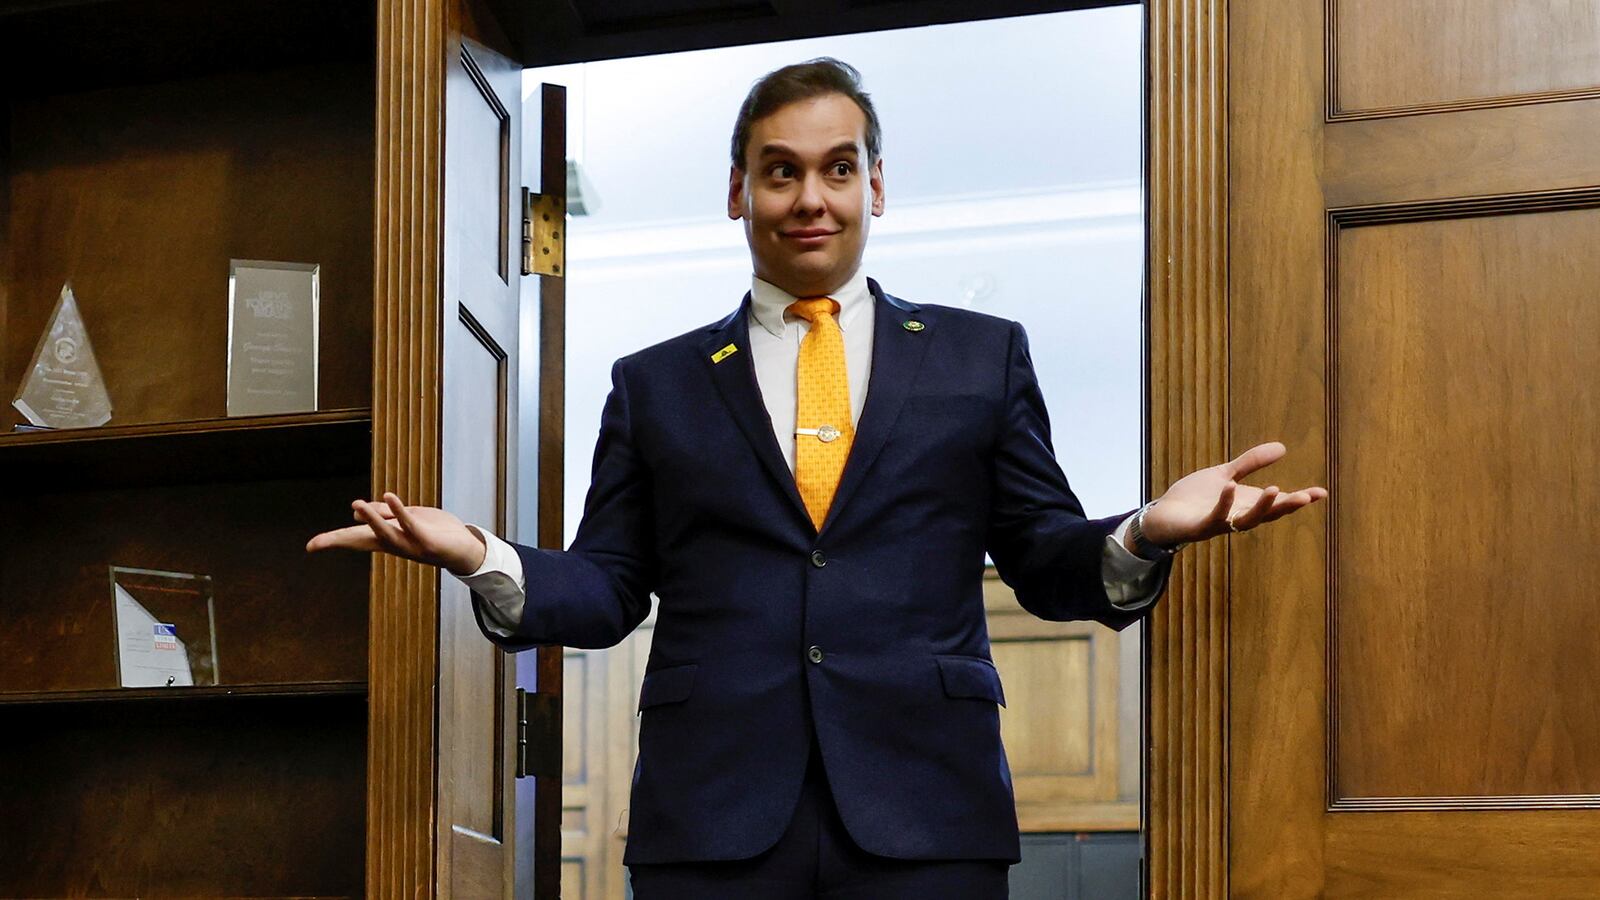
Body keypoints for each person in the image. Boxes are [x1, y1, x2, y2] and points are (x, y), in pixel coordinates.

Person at [308, 58, 1326, 899]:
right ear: (738, 190)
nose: (809, 198)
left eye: (837, 169)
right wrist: (478, 553)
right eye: (779, 172)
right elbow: (611, 587)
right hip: (710, 820)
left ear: (874, 186)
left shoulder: (982, 357)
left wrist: (1144, 529)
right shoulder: (653, 385)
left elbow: (1045, 563)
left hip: (929, 813)